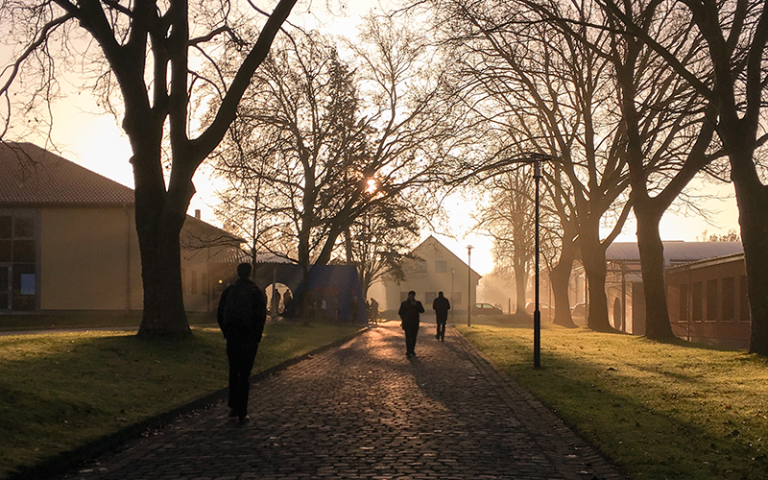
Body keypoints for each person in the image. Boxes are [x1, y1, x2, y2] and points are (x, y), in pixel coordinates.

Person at [217, 263, 267, 424]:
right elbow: (261, 316)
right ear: (250, 273)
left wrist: (226, 332)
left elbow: (220, 313)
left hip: (233, 337)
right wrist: (257, 335)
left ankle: (232, 405)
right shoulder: (256, 292)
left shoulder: (229, 291)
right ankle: (242, 411)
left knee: (233, 371)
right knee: (244, 375)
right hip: (249, 338)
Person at [398, 290, 424, 358]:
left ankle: (412, 350)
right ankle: (408, 350)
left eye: (412, 296)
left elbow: (422, 310)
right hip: (407, 323)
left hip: (415, 322)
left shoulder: (417, 303)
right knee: (408, 337)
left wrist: (416, 306)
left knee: (414, 337)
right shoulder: (404, 304)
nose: (411, 297)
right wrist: (404, 318)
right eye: (410, 296)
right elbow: (400, 312)